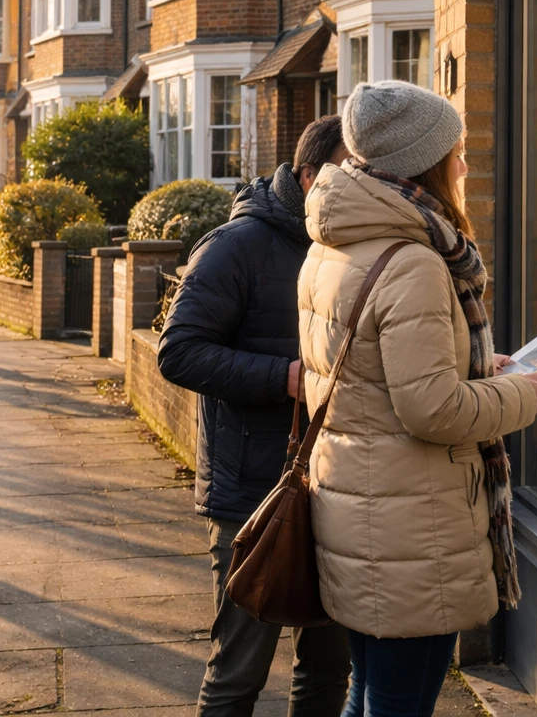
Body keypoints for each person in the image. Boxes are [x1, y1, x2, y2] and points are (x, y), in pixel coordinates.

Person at [297, 82, 537, 717]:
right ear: (424, 164)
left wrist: (473, 365)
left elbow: (364, 377)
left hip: (363, 511)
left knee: (370, 692)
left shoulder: (334, 243)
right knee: (397, 703)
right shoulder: (413, 260)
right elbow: (431, 410)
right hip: (410, 531)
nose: (465, 165)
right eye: (457, 152)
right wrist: (517, 395)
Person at [158, 115, 351, 717]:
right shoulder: (235, 245)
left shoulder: (349, 246)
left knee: (326, 671)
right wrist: (285, 378)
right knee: (238, 672)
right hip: (254, 497)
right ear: (308, 175)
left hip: (338, 488)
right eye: (349, 175)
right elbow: (178, 351)